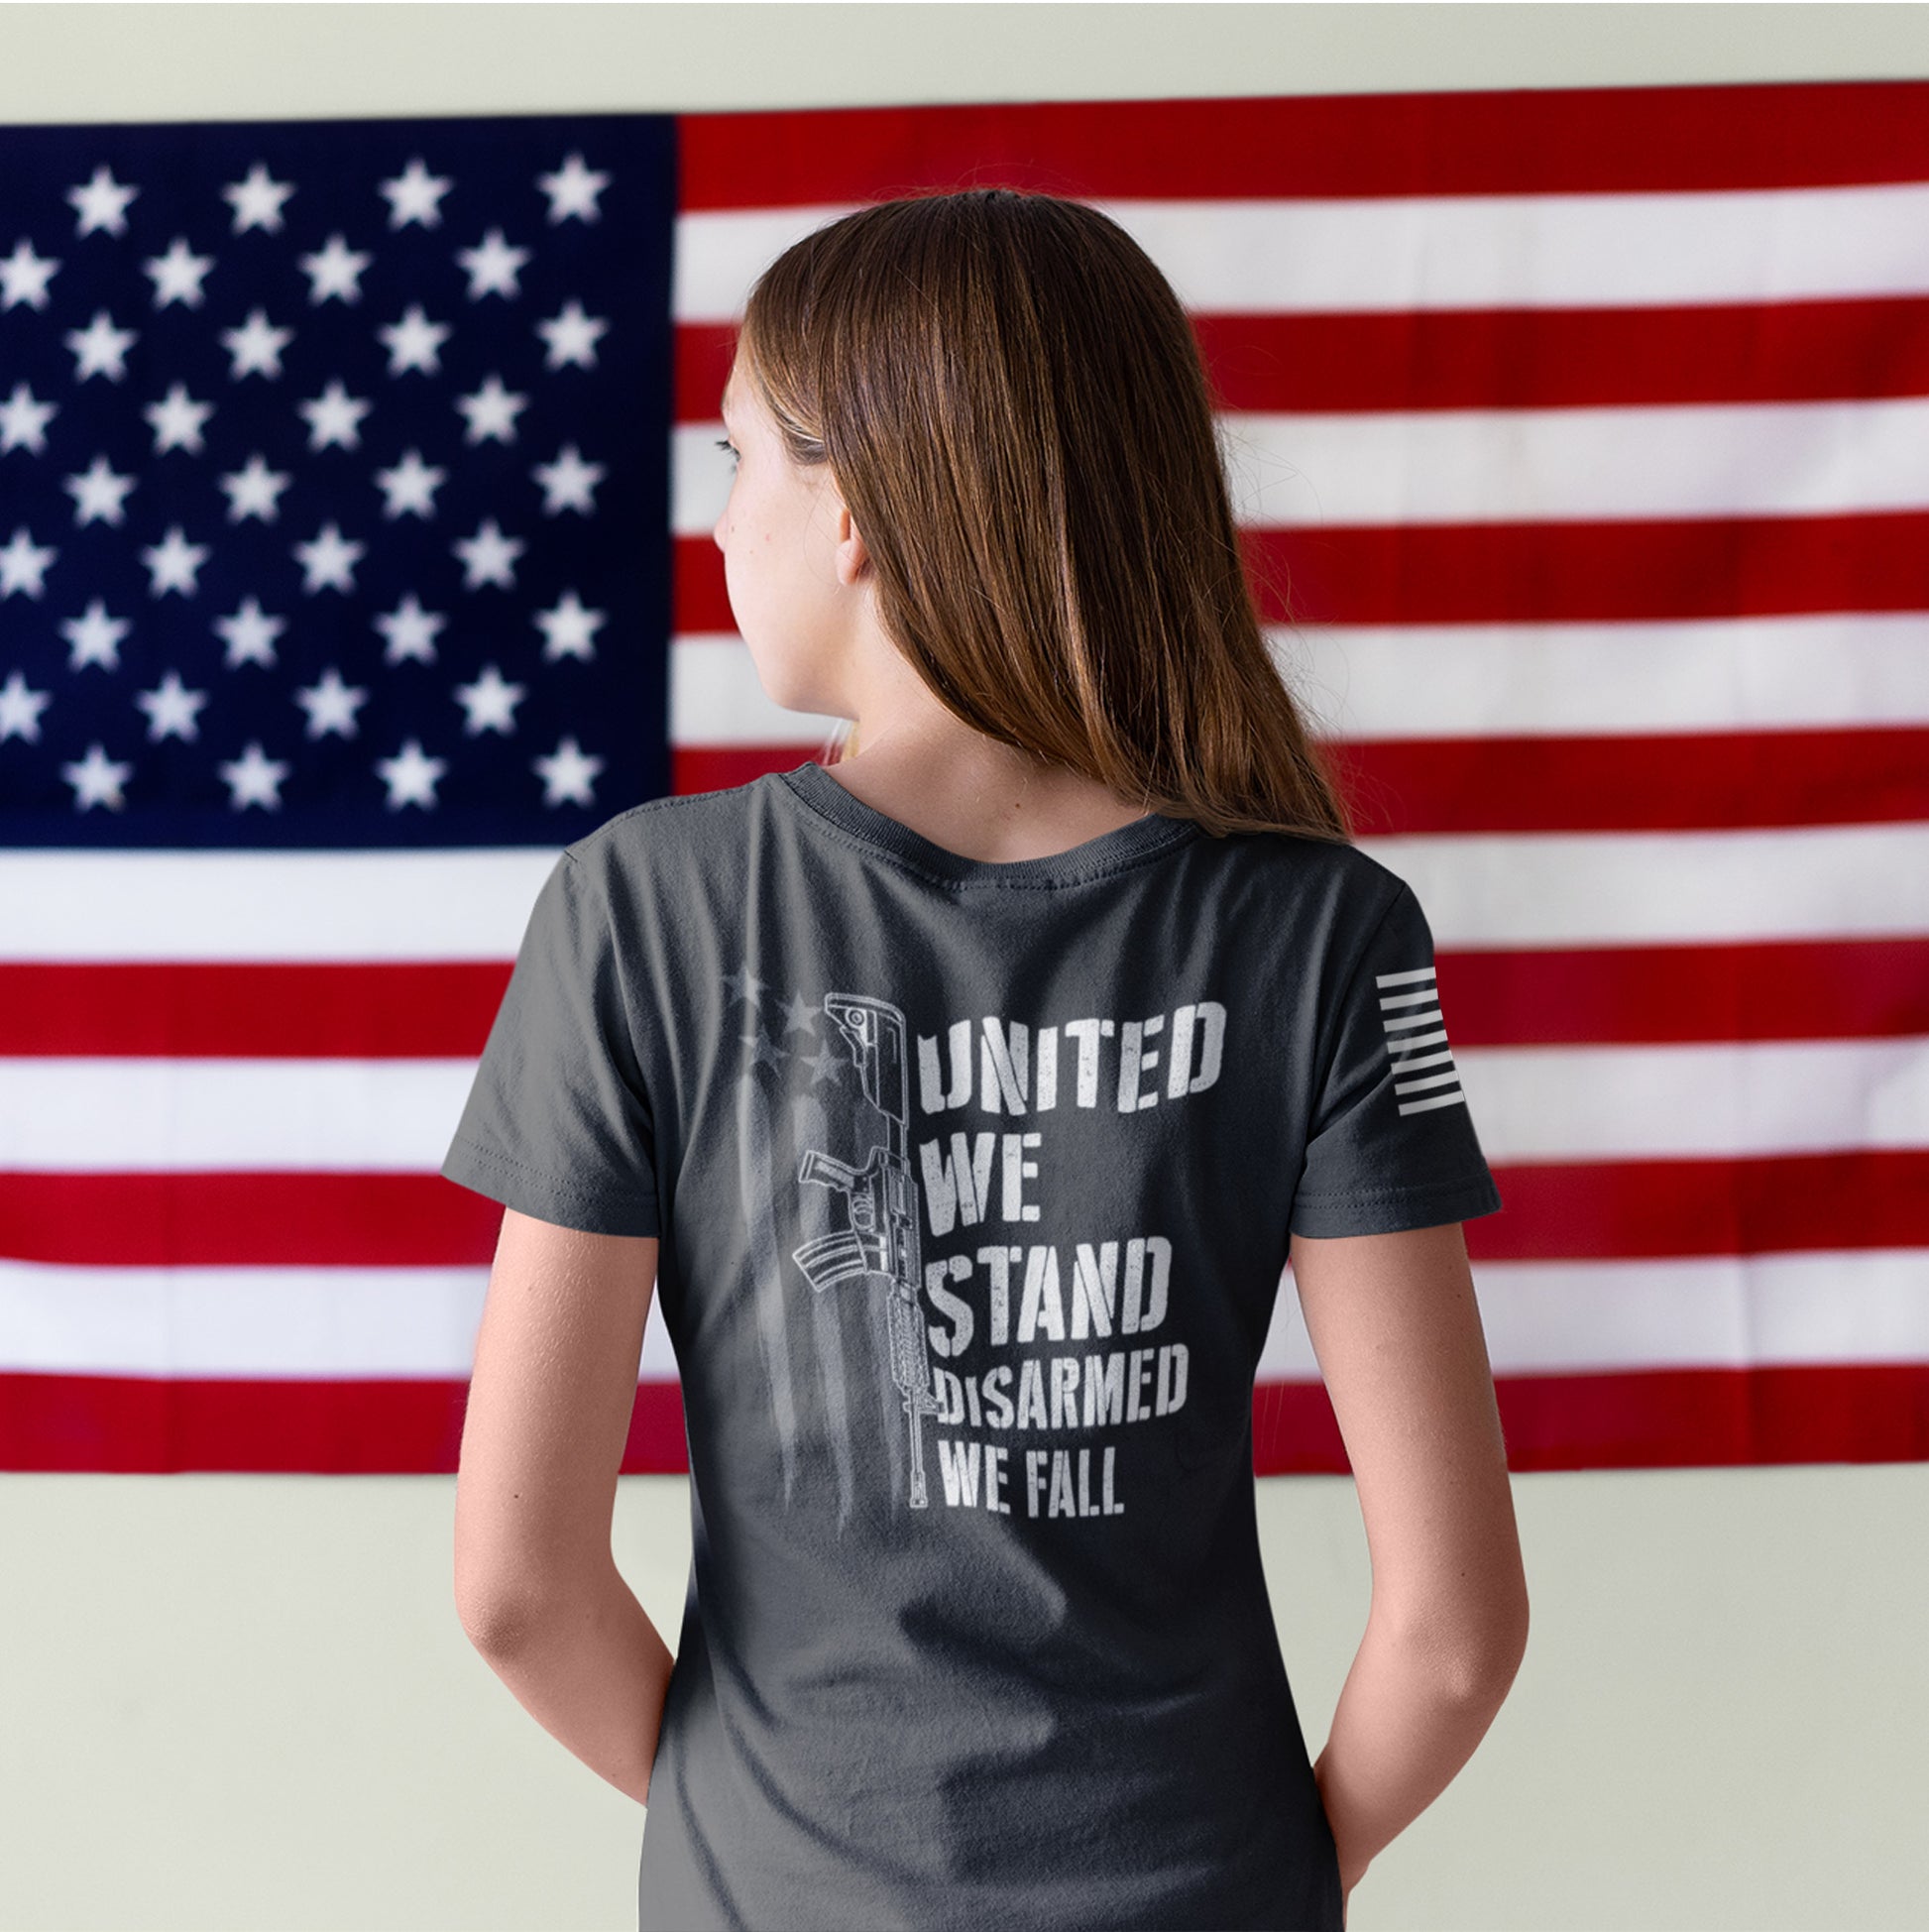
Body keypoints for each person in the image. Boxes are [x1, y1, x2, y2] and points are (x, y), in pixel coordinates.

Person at [441, 186, 1529, 1932]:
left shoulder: (640, 906)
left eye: (735, 462)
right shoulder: (1323, 929)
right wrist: (1269, 1871)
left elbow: (513, 1584)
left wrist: (768, 1838)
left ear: (854, 513)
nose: (717, 527)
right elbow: (1457, 1636)